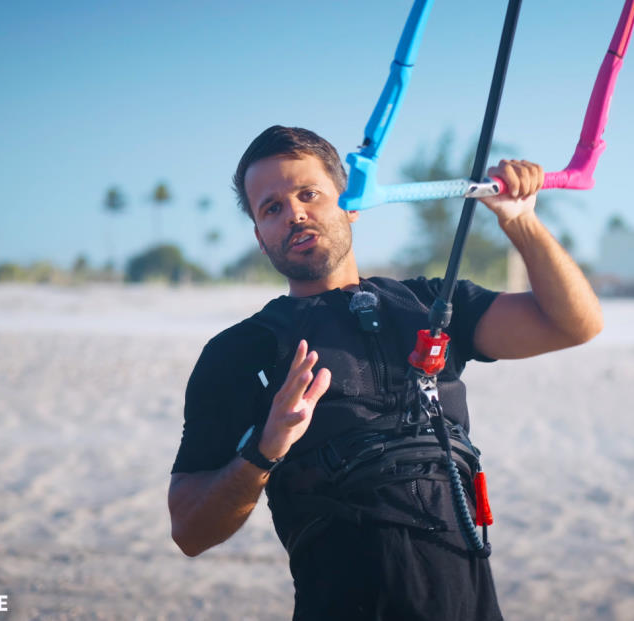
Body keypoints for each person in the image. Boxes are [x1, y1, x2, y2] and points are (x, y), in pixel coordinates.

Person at [168, 125, 602, 620]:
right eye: (272, 208)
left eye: (308, 194)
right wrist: (265, 447)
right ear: (261, 240)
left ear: (351, 202)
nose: (295, 214)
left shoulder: (431, 305)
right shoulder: (240, 352)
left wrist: (520, 222)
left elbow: (575, 324)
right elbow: (190, 531)